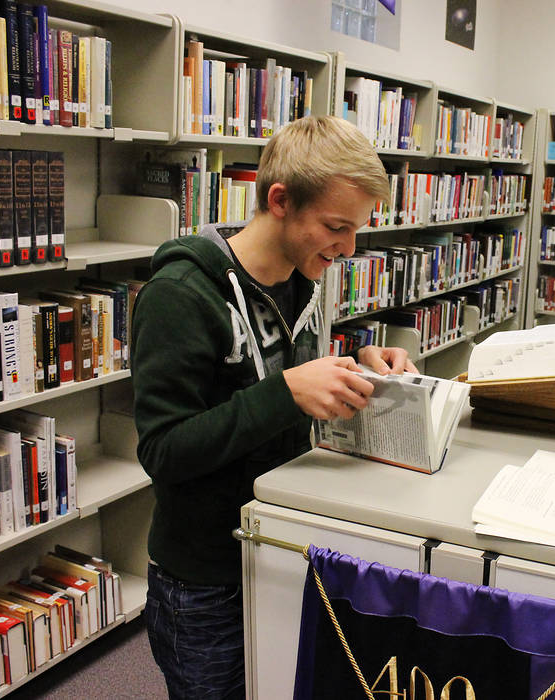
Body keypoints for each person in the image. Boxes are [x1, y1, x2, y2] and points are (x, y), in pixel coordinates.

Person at [131, 115, 417, 699]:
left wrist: (356, 368)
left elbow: (264, 379)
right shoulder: (181, 295)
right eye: (337, 227)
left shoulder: (299, 282)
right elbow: (164, 450)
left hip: (281, 547)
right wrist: (286, 391)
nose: (349, 248)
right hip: (206, 582)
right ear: (279, 200)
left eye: (358, 229)